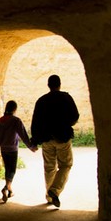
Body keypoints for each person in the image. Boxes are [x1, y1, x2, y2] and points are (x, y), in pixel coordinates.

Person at [30, 75, 80, 208]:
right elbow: (75, 116)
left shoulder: (41, 101)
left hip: (46, 139)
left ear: (48, 85)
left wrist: (34, 140)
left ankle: (49, 197)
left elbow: (35, 122)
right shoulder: (66, 98)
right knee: (66, 165)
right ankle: (55, 190)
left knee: (49, 168)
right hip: (63, 137)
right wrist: (65, 124)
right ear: (59, 84)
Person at [0, 100, 37, 203]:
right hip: (13, 149)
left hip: (4, 149)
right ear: (14, 109)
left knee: (8, 169)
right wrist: (30, 146)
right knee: (12, 170)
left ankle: (10, 191)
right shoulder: (16, 120)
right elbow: (23, 135)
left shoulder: (0, 121)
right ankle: (5, 188)